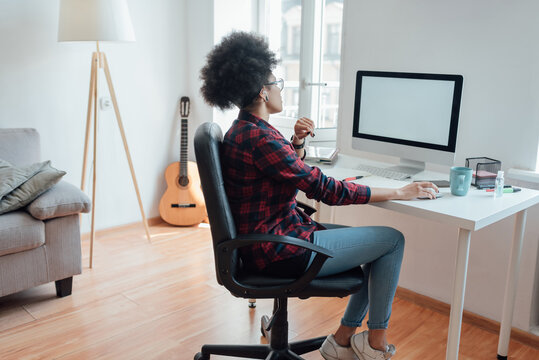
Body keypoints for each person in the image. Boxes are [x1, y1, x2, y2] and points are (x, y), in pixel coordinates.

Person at [200, 31, 439, 360]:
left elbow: (281, 175)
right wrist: (400, 191)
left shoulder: (245, 130)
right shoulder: (261, 139)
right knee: (392, 240)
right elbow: (327, 190)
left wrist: (297, 143)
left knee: (377, 245)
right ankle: (373, 344)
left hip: (271, 239)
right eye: (276, 82)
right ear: (261, 90)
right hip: (281, 250)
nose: (279, 88)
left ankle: (343, 339)